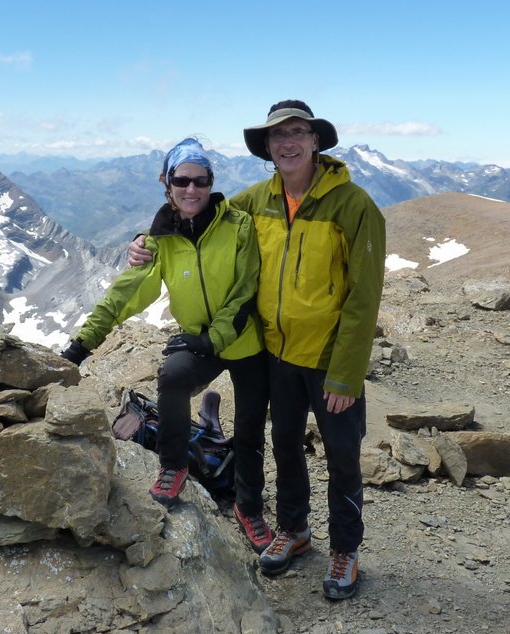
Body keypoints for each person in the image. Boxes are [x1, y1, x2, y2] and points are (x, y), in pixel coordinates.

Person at [129, 102, 385, 599]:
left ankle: (346, 549)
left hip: (330, 358)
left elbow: (364, 296)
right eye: (277, 136)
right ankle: (295, 530)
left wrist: (346, 375)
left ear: (315, 141)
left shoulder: (353, 205)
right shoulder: (257, 200)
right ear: (266, 148)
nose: (286, 143)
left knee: (343, 456)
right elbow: (198, 211)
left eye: (296, 133)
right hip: (278, 354)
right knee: (286, 446)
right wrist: (146, 240)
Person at [60, 138, 275, 553]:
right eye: (182, 180)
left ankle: (249, 507)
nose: (191, 189)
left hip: (242, 339)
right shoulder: (160, 240)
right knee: (172, 378)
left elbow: (247, 290)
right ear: (167, 183)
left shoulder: (238, 226)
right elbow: (124, 294)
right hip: (200, 339)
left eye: (200, 180)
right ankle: (173, 465)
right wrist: (81, 345)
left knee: (249, 429)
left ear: (211, 183)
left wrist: (209, 338)